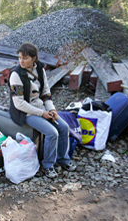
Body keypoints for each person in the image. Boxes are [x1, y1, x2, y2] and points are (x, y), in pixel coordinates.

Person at [8, 42, 77, 178]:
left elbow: (46, 92)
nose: (21, 61)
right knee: (52, 133)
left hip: (41, 107)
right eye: (20, 57)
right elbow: (19, 103)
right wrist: (42, 113)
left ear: (34, 59)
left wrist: (52, 109)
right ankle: (48, 165)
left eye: (25, 58)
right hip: (25, 112)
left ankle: (63, 159)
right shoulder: (16, 75)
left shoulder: (40, 69)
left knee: (64, 127)